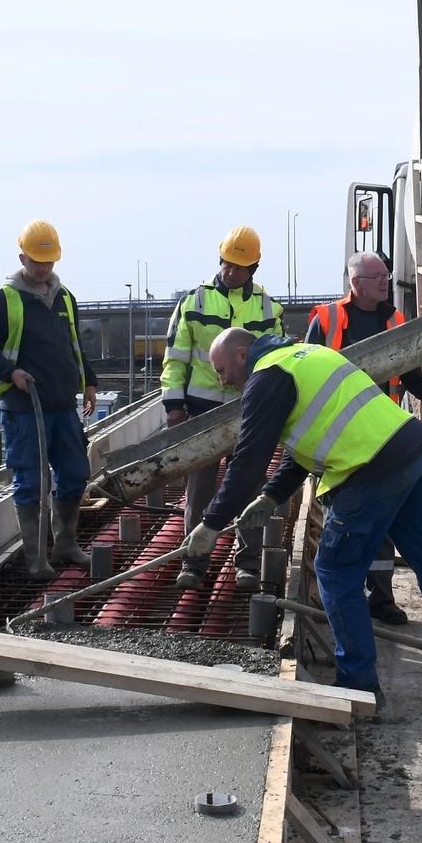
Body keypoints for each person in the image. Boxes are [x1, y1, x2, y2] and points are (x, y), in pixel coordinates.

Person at [181, 328, 422, 713]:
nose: (221, 379)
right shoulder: (306, 356)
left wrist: (210, 523)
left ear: (242, 354)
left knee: (335, 572)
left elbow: (247, 461)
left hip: (371, 469)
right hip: (413, 448)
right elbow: (308, 441)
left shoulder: (266, 378)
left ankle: (358, 689)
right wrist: (271, 495)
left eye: (222, 368)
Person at [305, 251, 422, 625]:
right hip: (338, 440)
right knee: (339, 523)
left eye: (386, 276)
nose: (386, 282)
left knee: (381, 525)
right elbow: (308, 376)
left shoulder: (394, 320)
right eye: (378, 278)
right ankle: (340, 599)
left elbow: (411, 377)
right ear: (355, 283)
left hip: (378, 436)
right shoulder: (327, 319)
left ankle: (381, 598)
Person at [0, 219, 99, 578]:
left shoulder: (64, 298)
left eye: (50, 262)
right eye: (37, 261)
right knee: (32, 482)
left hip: (62, 406)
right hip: (24, 409)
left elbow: (74, 344)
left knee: (74, 474)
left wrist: (89, 381)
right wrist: (11, 372)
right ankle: (35, 558)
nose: (43, 268)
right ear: (22, 257)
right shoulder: (5, 300)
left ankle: (66, 543)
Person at [161, 225, 285, 592]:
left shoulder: (268, 308)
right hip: (201, 413)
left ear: (254, 268)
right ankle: (194, 562)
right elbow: (175, 357)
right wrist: (173, 405)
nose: (231, 272)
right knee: (198, 492)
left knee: (249, 487)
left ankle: (246, 564)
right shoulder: (194, 303)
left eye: (239, 267)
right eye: (227, 264)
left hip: (249, 413)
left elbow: (277, 361)